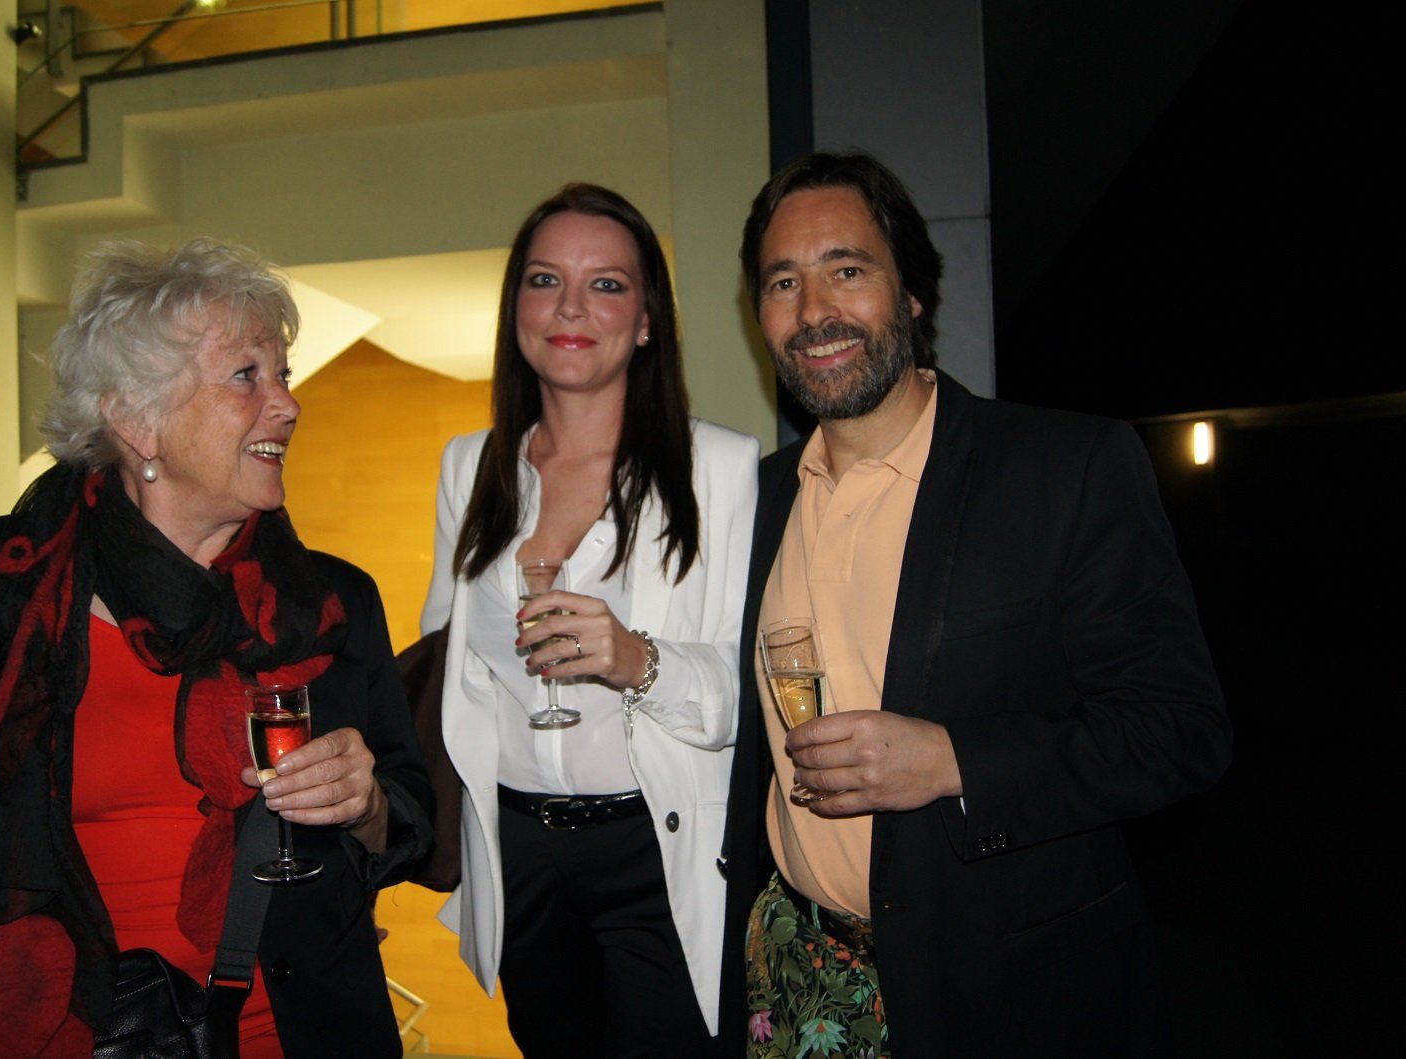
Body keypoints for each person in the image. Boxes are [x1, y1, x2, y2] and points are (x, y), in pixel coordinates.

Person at [0, 239, 433, 1057]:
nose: (288, 404)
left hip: (296, 1034)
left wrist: (366, 804)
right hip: (49, 1035)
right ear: (135, 419)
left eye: (284, 373)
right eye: (246, 375)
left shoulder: (329, 602)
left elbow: (413, 812)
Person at [717, 153, 1233, 1057]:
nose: (814, 310)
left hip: (1009, 997)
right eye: (783, 282)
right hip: (799, 981)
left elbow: (1179, 731)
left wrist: (955, 760)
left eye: (848, 269)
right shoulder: (752, 501)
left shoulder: (1065, 468)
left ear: (913, 293)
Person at [420, 184, 757, 1056]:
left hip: (659, 850)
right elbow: (446, 664)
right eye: (545, 280)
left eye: (606, 284)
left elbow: (750, 695)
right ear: (516, 311)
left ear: (646, 320)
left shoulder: (721, 469)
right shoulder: (470, 467)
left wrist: (638, 658)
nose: (570, 307)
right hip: (521, 854)